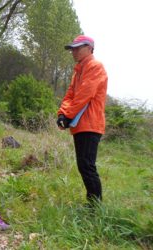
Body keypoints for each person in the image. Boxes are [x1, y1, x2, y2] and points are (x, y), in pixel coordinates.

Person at [57, 35, 108, 204]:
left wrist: (68, 114)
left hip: (91, 124)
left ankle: (95, 207)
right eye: (73, 48)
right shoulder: (78, 71)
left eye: (78, 48)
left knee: (87, 166)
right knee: (84, 165)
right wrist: (62, 114)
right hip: (80, 125)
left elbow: (84, 95)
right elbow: (70, 95)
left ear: (90, 48)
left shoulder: (95, 66)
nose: (74, 51)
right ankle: (93, 204)